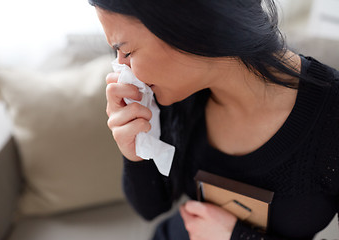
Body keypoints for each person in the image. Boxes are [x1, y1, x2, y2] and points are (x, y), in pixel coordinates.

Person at [88, 0, 339, 239]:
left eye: (126, 51)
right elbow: (151, 207)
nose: (122, 69)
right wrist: (136, 149)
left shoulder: (331, 118)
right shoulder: (173, 94)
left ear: (183, 24)